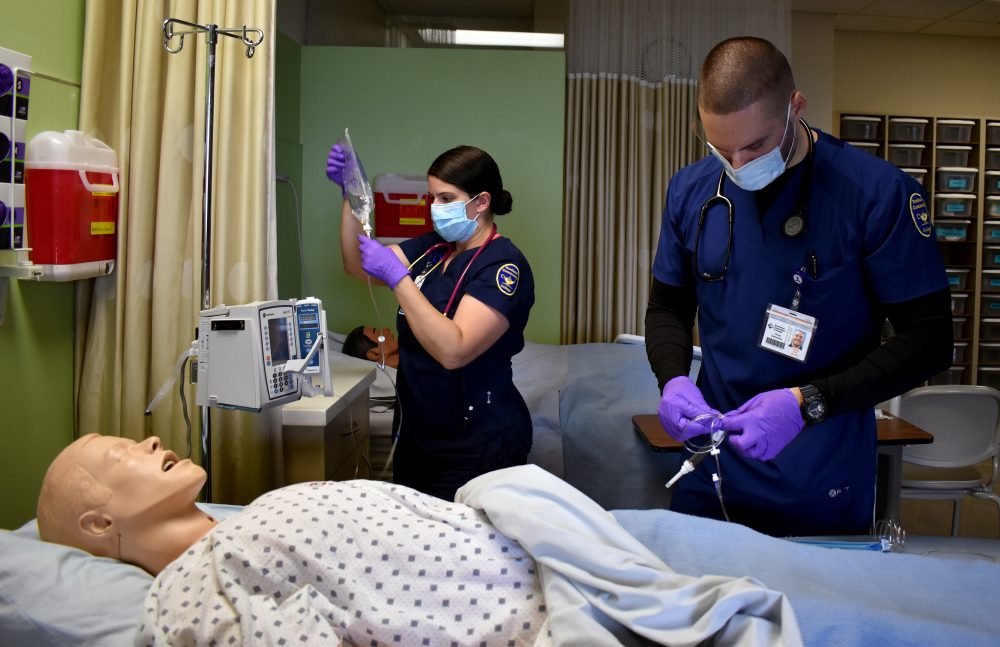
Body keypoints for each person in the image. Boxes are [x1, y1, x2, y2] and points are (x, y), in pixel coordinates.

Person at [35, 434, 799, 646]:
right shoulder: (189, 590)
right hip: (529, 608)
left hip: (532, 539)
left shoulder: (246, 519)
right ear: (101, 527)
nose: (151, 437)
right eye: (118, 453)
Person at [645, 37, 953, 537]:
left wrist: (807, 402)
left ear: (796, 107)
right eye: (722, 149)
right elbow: (667, 308)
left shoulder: (876, 195)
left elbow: (930, 342)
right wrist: (673, 379)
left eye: (756, 145)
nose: (740, 166)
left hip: (818, 462)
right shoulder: (692, 191)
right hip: (712, 462)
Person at [327, 144, 535, 500]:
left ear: (481, 202)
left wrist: (399, 280)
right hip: (417, 436)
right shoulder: (434, 247)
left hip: (474, 444)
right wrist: (352, 197)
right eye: (432, 197)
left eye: (446, 198)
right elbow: (355, 263)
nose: (434, 208)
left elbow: (454, 350)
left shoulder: (503, 265)